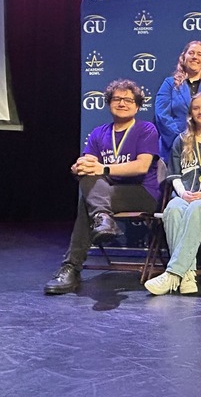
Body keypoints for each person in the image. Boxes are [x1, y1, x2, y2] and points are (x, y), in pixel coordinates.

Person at [44, 79, 160, 295]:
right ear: (108, 103)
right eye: (117, 99)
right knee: (88, 179)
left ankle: (71, 267)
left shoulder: (146, 129)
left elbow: (142, 166)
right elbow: (89, 165)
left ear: (137, 106)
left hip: (143, 193)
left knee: (88, 200)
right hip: (107, 194)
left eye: (128, 100)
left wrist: (103, 168)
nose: (122, 103)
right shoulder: (99, 133)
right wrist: (79, 168)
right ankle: (102, 218)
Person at [144, 93, 201, 295]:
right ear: (190, 113)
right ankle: (187, 275)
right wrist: (183, 193)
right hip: (184, 196)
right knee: (173, 209)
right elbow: (174, 175)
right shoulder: (181, 140)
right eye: (196, 108)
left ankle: (173, 273)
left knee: (196, 207)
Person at [154, 40, 201, 163]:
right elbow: (162, 115)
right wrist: (181, 139)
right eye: (191, 53)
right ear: (184, 58)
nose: (195, 57)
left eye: (199, 54)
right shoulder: (170, 84)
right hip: (174, 148)